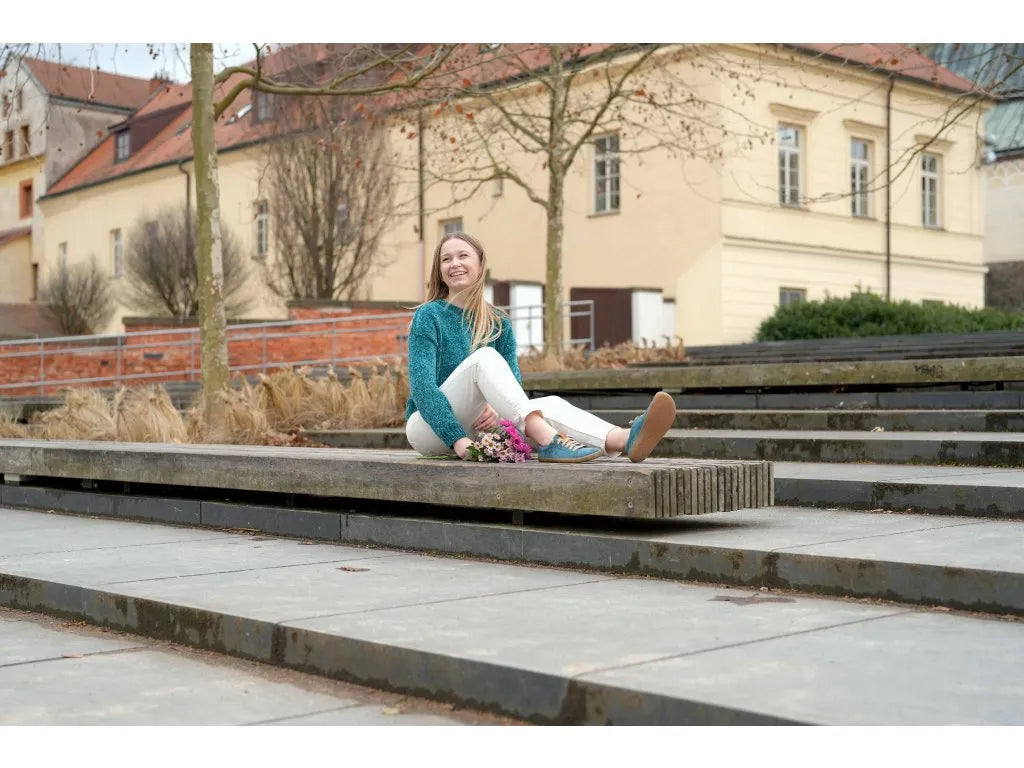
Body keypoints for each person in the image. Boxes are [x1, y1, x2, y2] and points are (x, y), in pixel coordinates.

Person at [404, 232, 675, 463]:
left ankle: (624, 440)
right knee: (483, 358)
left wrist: (496, 411)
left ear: (480, 263)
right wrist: (457, 439)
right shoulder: (430, 316)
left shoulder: (498, 322)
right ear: (439, 270)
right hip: (429, 429)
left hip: (482, 429)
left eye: (463, 256)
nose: (454, 264)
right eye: (446, 259)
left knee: (549, 404)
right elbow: (422, 387)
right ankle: (549, 440)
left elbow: (512, 386)